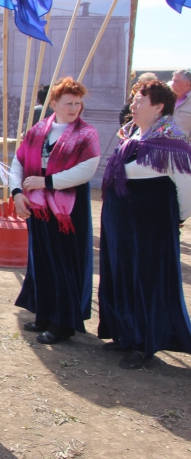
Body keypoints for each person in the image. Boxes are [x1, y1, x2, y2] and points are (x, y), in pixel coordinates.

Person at [98, 80, 191, 370]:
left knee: (146, 280)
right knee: (121, 273)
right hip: (121, 219)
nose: (133, 106)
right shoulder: (130, 133)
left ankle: (143, 343)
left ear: (159, 106)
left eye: (140, 101)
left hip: (151, 223)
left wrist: (178, 218)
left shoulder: (172, 139)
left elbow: (185, 186)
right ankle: (124, 334)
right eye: (134, 100)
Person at [11, 77, 101, 345]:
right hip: (38, 207)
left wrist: (46, 182)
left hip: (68, 211)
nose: (75, 107)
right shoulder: (38, 130)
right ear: (53, 104)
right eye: (69, 102)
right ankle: (45, 313)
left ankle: (63, 323)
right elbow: (19, 162)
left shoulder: (87, 134)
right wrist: (17, 193)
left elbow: (86, 170)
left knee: (65, 263)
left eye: (78, 102)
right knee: (41, 260)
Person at [170, 69, 191, 135]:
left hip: (184, 144)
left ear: (187, 84)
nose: (172, 84)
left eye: (176, 81)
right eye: (172, 80)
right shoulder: (166, 98)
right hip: (160, 143)